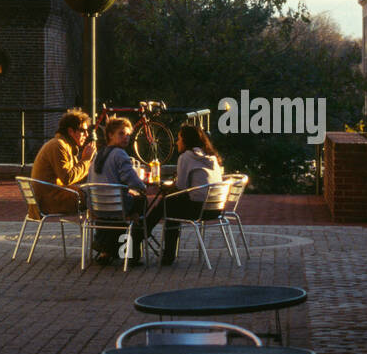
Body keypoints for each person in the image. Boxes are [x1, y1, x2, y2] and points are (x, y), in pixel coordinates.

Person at [87, 118, 149, 266]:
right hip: (116, 207)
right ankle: (131, 254)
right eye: (121, 134)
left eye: (128, 134)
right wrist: (143, 187)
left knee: (120, 206)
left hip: (97, 207)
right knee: (141, 201)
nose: (126, 137)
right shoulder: (120, 154)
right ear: (110, 135)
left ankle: (107, 248)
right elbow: (131, 179)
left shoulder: (97, 155)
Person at [160, 124, 224, 264]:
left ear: (186, 141)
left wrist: (167, 188)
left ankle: (144, 235)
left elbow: (180, 187)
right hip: (216, 209)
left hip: (198, 210)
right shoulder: (212, 157)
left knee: (168, 204)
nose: (176, 142)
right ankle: (144, 234)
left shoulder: (186, 157)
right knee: (169, 203)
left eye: (179, 138)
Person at [29, 109, 95, 217]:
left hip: (51, 197)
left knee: (92, 193)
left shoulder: (64, 145)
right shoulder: (59, 146)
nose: (86, 135)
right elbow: (67, 178)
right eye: (82, 130)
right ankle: (101, 230)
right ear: (71, 131)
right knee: (97, 197)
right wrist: (86, 160)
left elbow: (71, 177)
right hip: (50, 202)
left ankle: (96, 230)